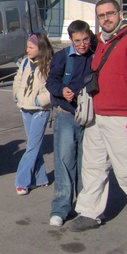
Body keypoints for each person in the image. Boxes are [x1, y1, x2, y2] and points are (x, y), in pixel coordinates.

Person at [68, 0, 127, 236]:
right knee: (93, 168)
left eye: (110, 13)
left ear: (120, 14)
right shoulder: (101, 42)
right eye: (101, 16)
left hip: (121, 118)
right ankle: (90, 212)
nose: (106, 18)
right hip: (97, 117)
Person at [45, 21, 94, 226]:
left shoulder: (95, 54)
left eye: (85, 40)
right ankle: (60, 208)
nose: (82, 45)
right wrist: (61, 90)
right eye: (77, 41)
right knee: (64, 162)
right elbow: (51, 81)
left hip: (91, 117)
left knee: (88, 165)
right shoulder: (62, 57)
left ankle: (85, 207)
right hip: (66, 115)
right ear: (71, 39)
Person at [12, 32, 53, 196]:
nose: (27, 50)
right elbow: (18, 79)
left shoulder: (50, 65)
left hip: (40, 111)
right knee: (34, 145)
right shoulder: (25, 62)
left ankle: (21, 181)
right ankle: (41, 177)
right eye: (27, 47)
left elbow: (52, 88)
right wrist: (16, 95)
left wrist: (39, 100)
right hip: (25, 108)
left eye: (31, 47)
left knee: (32, 147)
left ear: (40, 48)